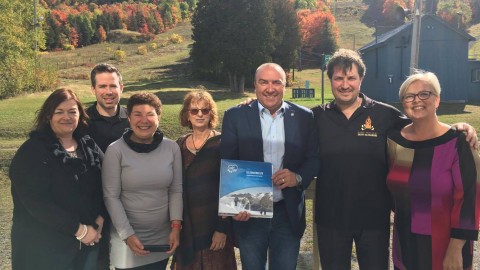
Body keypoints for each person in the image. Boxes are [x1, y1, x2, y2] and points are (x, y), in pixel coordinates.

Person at [312, 49, 478, 270]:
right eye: (338, 78)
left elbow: (422, 126)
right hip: (331, 219)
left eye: (351, 78)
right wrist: (253, 106)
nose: (345, 84)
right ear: (330, 79)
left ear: (361, 79)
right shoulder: (315, 117)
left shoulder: (386, 116)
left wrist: (458, 128)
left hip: (374, 221)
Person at [221, 63, 320, 270]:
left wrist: (298, 177)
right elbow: (228, 163)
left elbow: (314, 159)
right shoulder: (235, 116)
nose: (270, 88)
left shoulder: (304, 117)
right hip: (250, 213)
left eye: (277, 82)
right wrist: (234, 205)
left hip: (287, 210)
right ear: (254, 85)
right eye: (263, 82)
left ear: (285, 85)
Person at [386, 70, 480, 270]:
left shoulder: (458, 142)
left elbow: (470, 199)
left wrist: (455, 249)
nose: (416, 100)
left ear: (437, 100)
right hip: (405, 241)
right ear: (403, 103)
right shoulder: (395, 141)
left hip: (446, 244)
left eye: (424, 94)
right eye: (409, 96)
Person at [9, 88, 105, 269]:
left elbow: (104, 183)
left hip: (87, 245)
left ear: (80, 115)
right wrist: (80, 230)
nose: (66, 117)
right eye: (59, 112)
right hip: (44, 249)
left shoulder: (87, 145)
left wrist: (99, 218)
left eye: (72, 112)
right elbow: (36, 203)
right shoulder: (33, 151)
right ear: (48, 116)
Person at [102, 93, 182, 270]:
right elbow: (111, 196)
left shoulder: (172, 148)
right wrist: (127, 234)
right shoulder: (115, 150)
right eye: (138, 114)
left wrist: (176, 226)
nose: (144, 120)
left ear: (158, 117)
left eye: (150, 114)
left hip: (162, 238)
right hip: (127, 239)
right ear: (129, 118)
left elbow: (176, 190)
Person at [172, 90, 236, 270]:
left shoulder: (224, 142)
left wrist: (222, 228)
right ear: (187, 114)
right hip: (188, 225)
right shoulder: (179, 144)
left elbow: (229, 187)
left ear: (211, 113)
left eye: (205, 110)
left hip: (214, 223)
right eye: (194, 110)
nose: (200, 114)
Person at [87, 63, 130, 270]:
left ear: (122, 87)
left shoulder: (134, 119)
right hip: (94, 206)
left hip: (129, 205)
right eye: (102, 86)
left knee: (130, 262)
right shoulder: (81, 122)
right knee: (98, 262)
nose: (108, 92)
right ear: (93, 89)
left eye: (113, 86)